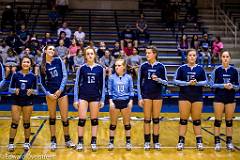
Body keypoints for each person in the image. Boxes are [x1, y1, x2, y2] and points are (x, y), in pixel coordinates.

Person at [40, 45, 75, 151]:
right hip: (50, 94)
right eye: (50, 49)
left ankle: (67, 140)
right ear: (45, 51)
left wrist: (60, 89)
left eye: (53, 49)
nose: (52, 50)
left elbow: (64, 75)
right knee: (52, 118)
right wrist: (48, 93)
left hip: (61, 93)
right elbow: (41, 82)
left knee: (65, 118)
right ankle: (53, 140)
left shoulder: (58, 60)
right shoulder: (42, 65)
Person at [173, 49, 207, 151]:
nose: (192, 57)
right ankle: (181, 141)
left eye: (194, 55)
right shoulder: (182, 68)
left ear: (196, 57)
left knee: (196, 120)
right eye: (190, 55)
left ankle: (199, 142)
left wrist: (196, 83)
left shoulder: (200, 69)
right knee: (183, 120)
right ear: (187, 57)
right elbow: (175, 81)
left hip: (197, 97)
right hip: (184, 96)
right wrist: (187, 83)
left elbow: (206, 82)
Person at [73, 47, 105, 152]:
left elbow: (102, 85)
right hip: (83, 96)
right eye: (88, 54)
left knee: (94, 120)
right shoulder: (82, 68)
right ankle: (80, 142)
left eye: (91, 53)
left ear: (94, 55)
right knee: (81, 120)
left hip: (95, 96)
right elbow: (76, 84)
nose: (90, 55)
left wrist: (102, 99)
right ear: (85, 56)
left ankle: (93, 141)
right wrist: (75, 99)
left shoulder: (100, 69)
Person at [137, 46, 168, 150]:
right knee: (146, 120)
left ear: (154, 54)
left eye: (149, 53)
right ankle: (146, 142)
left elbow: (166, 82)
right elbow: (138, 82)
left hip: (157, 95)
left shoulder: (161, 66)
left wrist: (158, 79)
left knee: (156, 120)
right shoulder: (143, 66)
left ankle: (156, 142)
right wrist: (140, 97)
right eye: (146, 53)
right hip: (146, 95)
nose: (147, 55)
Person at [210, 50, 239, 152]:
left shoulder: (235, 71)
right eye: (223, 56)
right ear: (221, 58)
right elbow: (211, 84)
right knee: (218, 121)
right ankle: (217, 142)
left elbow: (238, 86)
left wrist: (232, 86)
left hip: (230, 98)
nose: (225, 58)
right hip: (219, 98)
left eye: (227, 57)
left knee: (229, 122)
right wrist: (223, 86)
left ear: (230, 58)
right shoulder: (216, 70)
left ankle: (229, 142)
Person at [7, 56, 37, 152]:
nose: (26, 64)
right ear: (21, 63)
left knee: (26, 123)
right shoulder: (15, 75)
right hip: (16, 101)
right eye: (24, 62)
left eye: (28, 62)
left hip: (28, 102)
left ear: (30, 65)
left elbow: (36, 90)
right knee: (14, 122)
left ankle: (27, 142)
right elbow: (9, 89)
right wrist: (14, 90)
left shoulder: (33, 76)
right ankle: (11, 143)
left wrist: (32, 90)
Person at [107, 58, 134, 151]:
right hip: (115, 102)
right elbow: (109, 90)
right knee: (113, 124)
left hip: (125, 101)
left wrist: (130, 101)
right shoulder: (111, 77)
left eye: (119, 65)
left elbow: (131, 90)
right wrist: (110, 101)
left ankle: (128, 142)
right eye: (115, 65)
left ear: (124, 67)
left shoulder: (129, 77)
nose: (116, 67)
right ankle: (111, 142)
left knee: (127, 124)